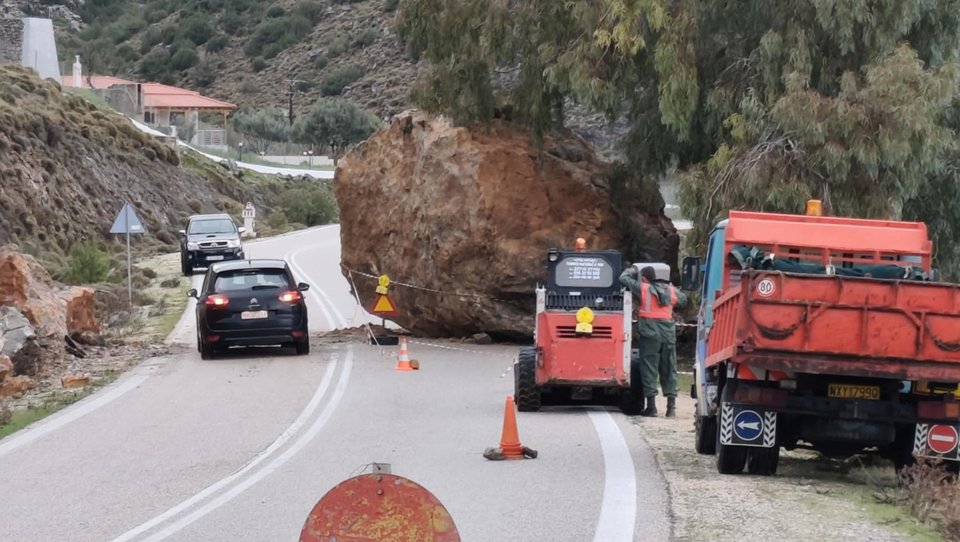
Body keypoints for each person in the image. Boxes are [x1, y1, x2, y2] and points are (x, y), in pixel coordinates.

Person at [619, 265, 688, 417]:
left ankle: (651, 407)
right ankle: (671, 408)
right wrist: (671, 289)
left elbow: (623, 278)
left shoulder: (643, 289)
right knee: (669, 367)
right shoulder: (671, 290)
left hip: (649, 334)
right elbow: (683, 300)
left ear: (644, 278)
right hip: (668, 333)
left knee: (649, 368)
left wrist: (632, 270)